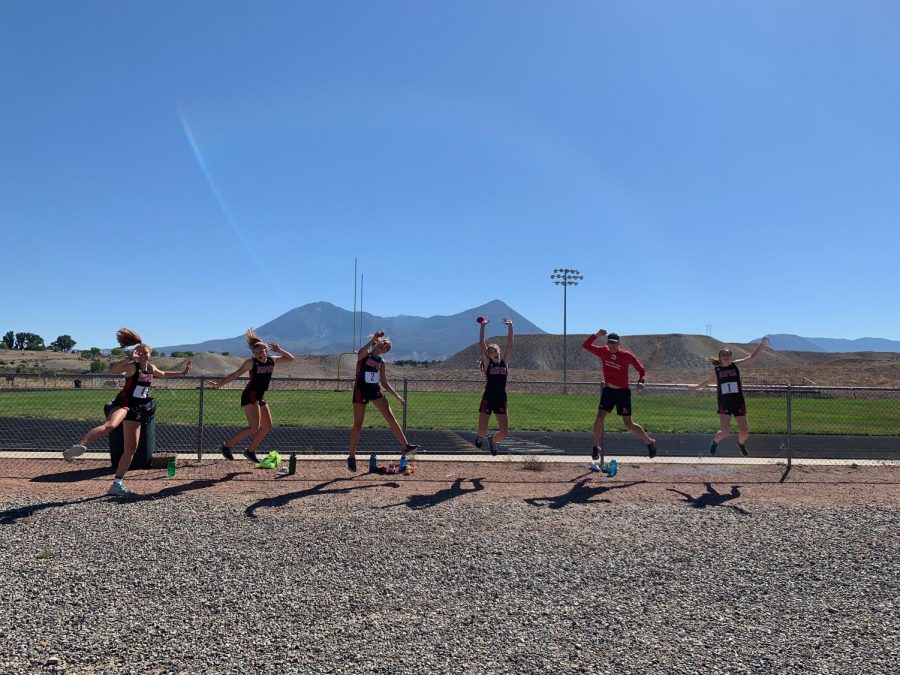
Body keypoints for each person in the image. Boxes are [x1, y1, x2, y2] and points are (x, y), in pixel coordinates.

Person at [63, 328, 192, 496]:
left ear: (151, 355)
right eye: (142, 353)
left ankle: (116, 484)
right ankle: (79, 446)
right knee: (110, 425)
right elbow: (113, 370)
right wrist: (129, 358)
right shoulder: (133, 366)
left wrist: (182, 373)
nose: (145, 355)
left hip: (139, 408)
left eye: (147, 353)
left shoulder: (151, 369)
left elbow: (164, 374)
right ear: (138, 354)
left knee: (131, 447)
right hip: (124, 403)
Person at [208, 328, 295, 463]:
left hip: (260, 396)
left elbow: (291, 358)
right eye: (256, 352)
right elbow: (235, 375)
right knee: (254, 427)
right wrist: (219, 384)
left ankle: (250, 451)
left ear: (266, 350)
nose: (258, 353)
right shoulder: (251, 363)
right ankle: (227, 446)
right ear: (253, 353)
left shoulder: (272, 360)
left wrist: (280, 350)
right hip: (250, 395)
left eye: (261, 350)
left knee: (267, 426)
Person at [347, 331, 420, 472]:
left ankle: (406, 446)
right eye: (383, 346)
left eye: (386, 349)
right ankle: (351, 457)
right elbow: (360, 353)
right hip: (360, 390)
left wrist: (397, 397)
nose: (383, 349)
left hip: (375, 390)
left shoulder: (381, 362)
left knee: (390, 416)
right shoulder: (365, 355)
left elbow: (385, 383)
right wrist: (373, 339)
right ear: (377, 342)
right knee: (358, 424)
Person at [581, 329, 656, 460]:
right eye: (610, 342)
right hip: (609, 391)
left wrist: (641, 381)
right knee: (599, 419)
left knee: (628, 424)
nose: (612, 345)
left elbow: (641, 369)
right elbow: (586, 346)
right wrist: (597, 335)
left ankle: (649, 441)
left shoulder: (626, 355)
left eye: (614, 343)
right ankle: (596, 447)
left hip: (622, 392)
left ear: (619, 343)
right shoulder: (603, 351)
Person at [689, 337, 770, 456]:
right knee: (725, 432)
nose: (726, 357)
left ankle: (741, 444)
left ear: (731, 357)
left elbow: (751, 357)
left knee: (744, 432)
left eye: (728, 355)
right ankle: (715, 441)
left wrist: (761, 346)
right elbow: (708, 381)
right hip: (724, 403)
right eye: (723, 355)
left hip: (738, 402)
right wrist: (696, 387)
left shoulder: (735, 365)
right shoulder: (717, 370)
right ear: (720, 358)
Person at [474, 316, 514, 455]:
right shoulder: (488, 364)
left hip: (501, 399)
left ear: (499, 352)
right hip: (488, 398)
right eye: (491, 352)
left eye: (496, 351)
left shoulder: (504, 362)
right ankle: (480, 436)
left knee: (504, 433)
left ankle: (493, 440)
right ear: (488, 356)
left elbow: (510, 344)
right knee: (482, 431)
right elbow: (481, 343)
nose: (495, 353)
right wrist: (483, 326)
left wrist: (510, 326)